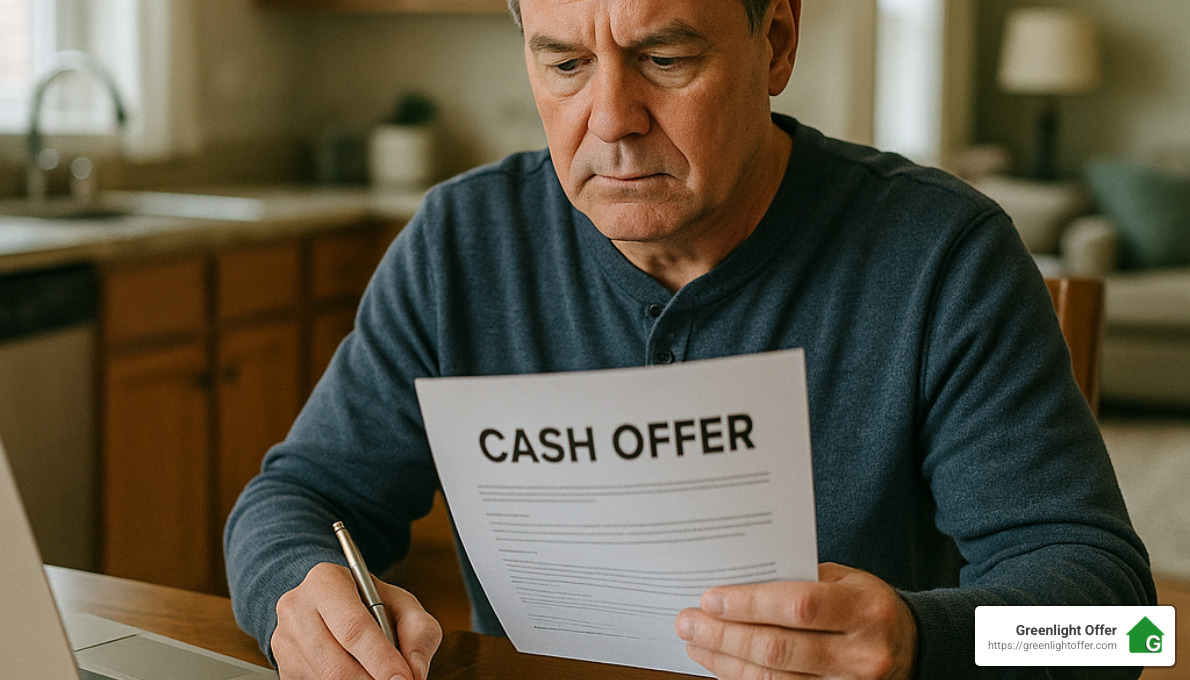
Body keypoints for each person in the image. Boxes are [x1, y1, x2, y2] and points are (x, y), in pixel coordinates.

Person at [224, 0, 1155, 678]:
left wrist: (918, 644)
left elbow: (1121, 631)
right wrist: (297, 597)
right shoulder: (460, 244)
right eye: (563, 65)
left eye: (664, 59)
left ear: (777, 41)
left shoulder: (944, 257)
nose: (610, 120)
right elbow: (296, 498)